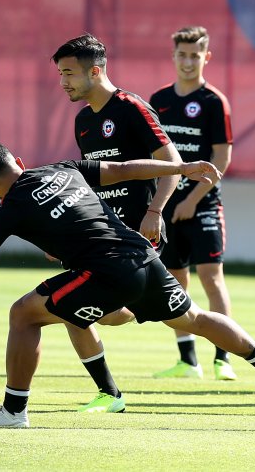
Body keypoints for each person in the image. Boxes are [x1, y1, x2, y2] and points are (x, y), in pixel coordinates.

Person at [0, 143, 255, 428]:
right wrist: (181, 168)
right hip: (142, 256)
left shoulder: (11, 208)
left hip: (107, 273)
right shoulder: (62, 168)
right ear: (19, 160)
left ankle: (13, 410)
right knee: (194, 318)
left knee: (24, 314)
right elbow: (125, 170)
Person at [53, 33, 182, 412]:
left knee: (187, 318)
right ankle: (110, 394)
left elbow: (171, 165)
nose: (63, 82)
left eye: (69, 73)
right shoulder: (82, 121)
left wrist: (155, 211)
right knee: (78, 307)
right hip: (102, 235)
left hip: (139, 233)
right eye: (60, 74)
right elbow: (91, 183)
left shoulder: (132, 108)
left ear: (95, 71)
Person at [148, 26, 236, 381]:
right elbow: (151, 155)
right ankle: (188, 360)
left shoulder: (215, 102)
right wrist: (163, 203)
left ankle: (224, 358)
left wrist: (194, 198)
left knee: (212, 278)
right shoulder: (159, 100)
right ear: (173, 57)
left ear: (206, 57)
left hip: (203, 205)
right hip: (168, 206)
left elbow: (222, 159)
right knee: (174, 280)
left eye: (194, 55)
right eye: (182, 55)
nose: (188, 61)